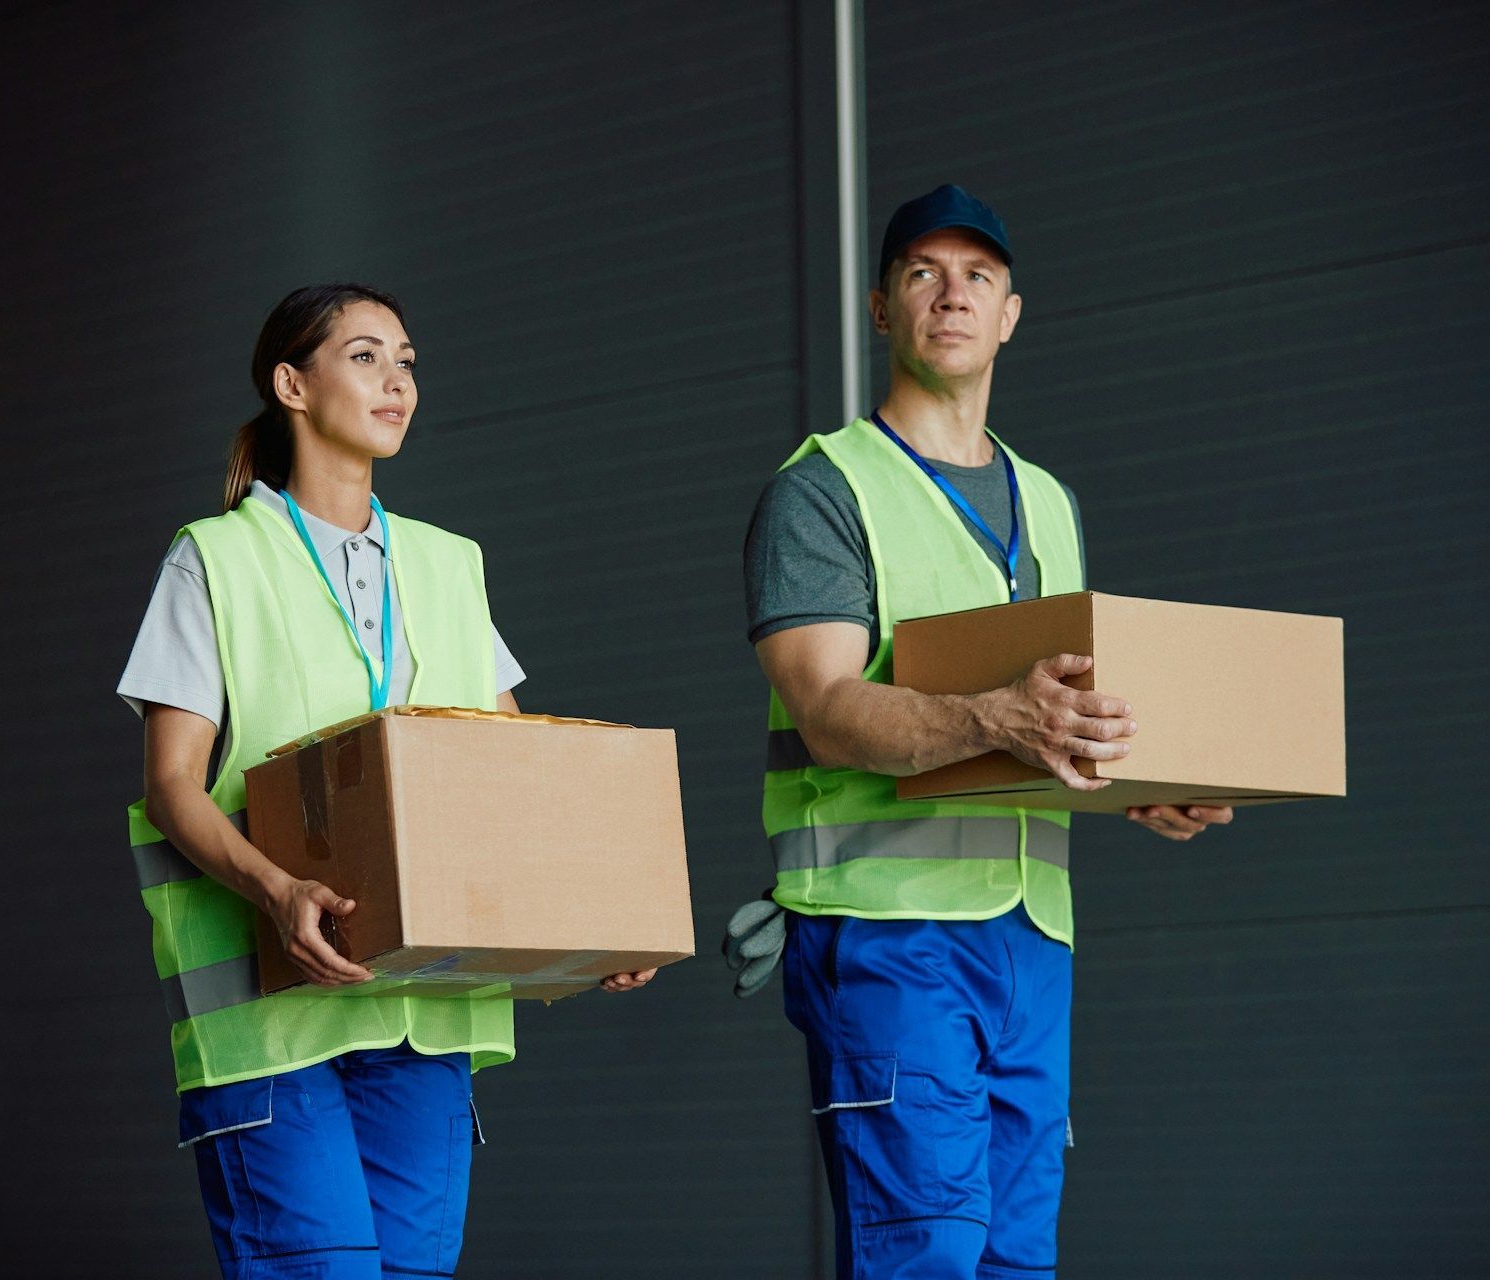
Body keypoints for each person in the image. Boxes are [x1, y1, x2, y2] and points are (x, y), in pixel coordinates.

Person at [735, 186, 1233, 1278]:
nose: (952, 294)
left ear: (1011, 313)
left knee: (1015, 1257)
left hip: (1029, 939)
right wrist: (989, 714)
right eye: (923, 272)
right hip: (886, 931)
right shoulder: (825, 491)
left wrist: (1134, 778)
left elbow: (1057, 720)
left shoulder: (1049, 501)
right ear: (881, 308)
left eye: (978, 276)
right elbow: (823, 708)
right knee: (928, 1252)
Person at [118, 283, 654, 1280]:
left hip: (422, 1011)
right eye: (365, 357)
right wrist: (279, 891)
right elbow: (172, 783)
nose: (396, 381)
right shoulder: (217, 560)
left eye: (406, 360)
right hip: (270, 1020)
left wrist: (599, 923)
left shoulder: (452, 566)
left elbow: (516, 771)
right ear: (292, 383)